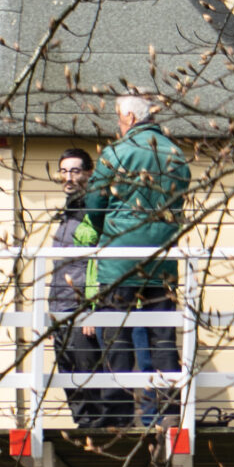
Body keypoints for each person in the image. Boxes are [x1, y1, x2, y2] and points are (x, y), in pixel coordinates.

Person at [79, 95, 190, 430]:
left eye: (118, 116)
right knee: (162, 334)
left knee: (116, 334)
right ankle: (170, 410)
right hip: (162, 258)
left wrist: (101, 232)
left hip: (120, 257)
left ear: (129, 116)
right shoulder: (175, 153)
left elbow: (95, 202)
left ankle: (119, 413)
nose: (117, 123)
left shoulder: (115, 152)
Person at [46, 149, 109, 432]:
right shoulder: (67, 210)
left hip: (80, 307)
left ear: (88, 173)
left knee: (88, 373)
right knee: (68, 373)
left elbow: (100, 261)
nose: (68, 177)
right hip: (58, 306)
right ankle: (84, 429)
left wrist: (92, 307)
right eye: (64, 171)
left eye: (75, 171)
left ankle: (97, 432)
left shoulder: (94, 212)